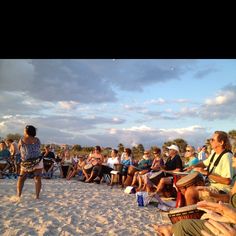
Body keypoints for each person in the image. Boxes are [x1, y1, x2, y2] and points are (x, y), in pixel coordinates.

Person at [154, 150, 236, 236]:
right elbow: (229, 196)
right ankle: (171, 228)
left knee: (182, 226)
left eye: (235, 155)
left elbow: (227, 181)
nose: (232, 157)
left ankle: (170, 229)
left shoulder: (226, 156)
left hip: (232, 221)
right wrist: (213, 196)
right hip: (230, 214)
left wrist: (231, 216)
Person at [184, 131, 233, 205]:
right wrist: (194, 166)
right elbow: (204, 163)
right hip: (211, 185)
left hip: (222, 190)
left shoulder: (227, 156)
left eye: (212, 140)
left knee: (191, 192)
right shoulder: (214, 154)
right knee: (185, 187)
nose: (210, 141)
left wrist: (206, 173)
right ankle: (197, 210)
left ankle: (193, 215)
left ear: (221, 142)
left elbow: (227, 181)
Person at [17, 125, 43, 199]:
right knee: (37, 178)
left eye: (24, 130)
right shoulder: (37, 139)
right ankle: (37, 196)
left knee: (21, 179)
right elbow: (38, 148)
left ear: (26, 131)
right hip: (37, 160)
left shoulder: (22, 139)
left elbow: (19, 148)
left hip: (26, 162)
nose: (23, 131)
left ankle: (18, 195)